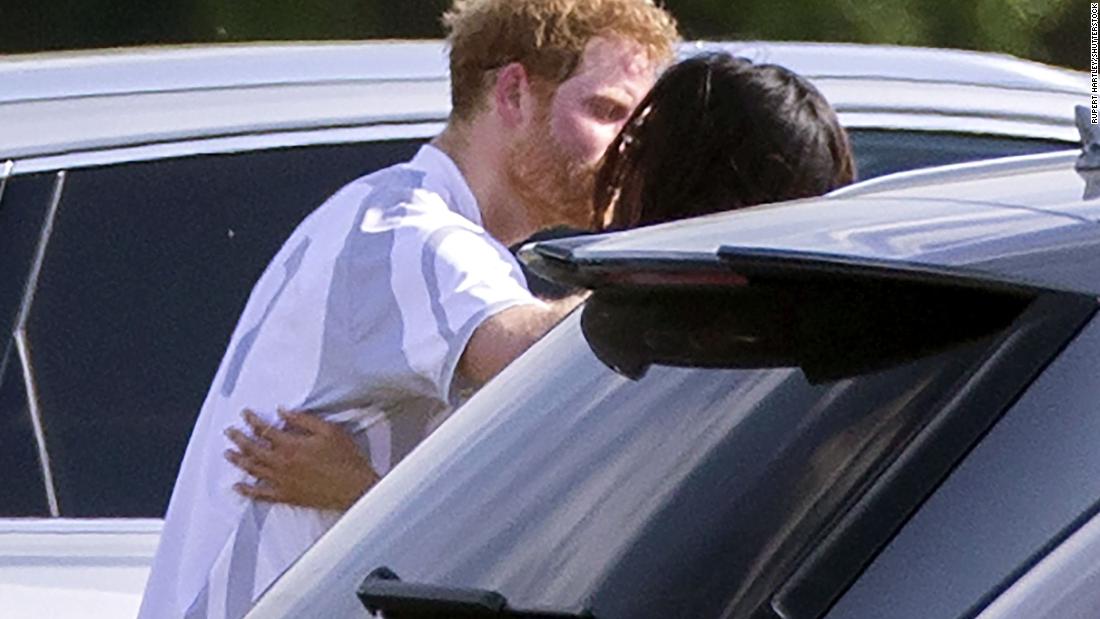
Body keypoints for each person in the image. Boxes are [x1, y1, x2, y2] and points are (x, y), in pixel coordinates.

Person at [138, 2, 679, 617]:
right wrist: (675, 261)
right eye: (607, 112)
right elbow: (536, 353)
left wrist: (362, 494)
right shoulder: (410, 233)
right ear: (513, 94)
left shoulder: (383, 215)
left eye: (642, 127)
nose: (629, 149)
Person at [224, 52, 856, 511]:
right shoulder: (842, 350)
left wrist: (361, 498)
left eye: (637, 137)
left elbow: (542, 563)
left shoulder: (669, 369)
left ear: (683, 178)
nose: (616, 157)